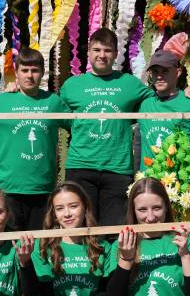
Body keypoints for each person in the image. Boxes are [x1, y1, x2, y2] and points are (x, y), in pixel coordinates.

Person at [59, 28, 154, 227]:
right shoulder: (71, 85)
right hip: (80, 167)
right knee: (80, 229)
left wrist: (187, 91)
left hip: (117, 169)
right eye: (97, 49)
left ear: (116, 53)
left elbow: (157, 102)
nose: (102, 55)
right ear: (89, 52)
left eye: (108, 50)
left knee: (114, 231)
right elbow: (60, 116)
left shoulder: (130, 84)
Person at [0, 48, 71, 230]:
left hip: (42, 191)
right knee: (9, 250)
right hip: (5, 192)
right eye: (25, 70)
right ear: (16, 71)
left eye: (35, 70)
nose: (30, 75)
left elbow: (80, 128)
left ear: (42, 73)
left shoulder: (54, 102)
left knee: (38, 252)